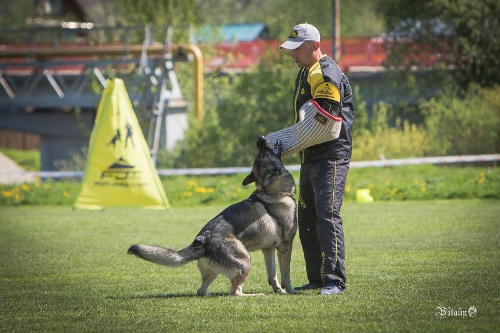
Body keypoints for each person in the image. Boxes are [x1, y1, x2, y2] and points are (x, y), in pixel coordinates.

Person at [280, 23, 354, 295]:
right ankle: (317, 279)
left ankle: (334, 280)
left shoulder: (324, 73)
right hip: (310, 155)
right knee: (307, 218)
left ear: (314, 46)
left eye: (297, 48)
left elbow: (325, 125)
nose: (292, 54)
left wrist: (284, 142)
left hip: (330, 155)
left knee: (327, 216)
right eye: (290, 49)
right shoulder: (305, 72)